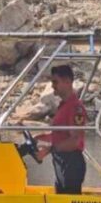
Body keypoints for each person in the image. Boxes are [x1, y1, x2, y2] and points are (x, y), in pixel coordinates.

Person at [36, 65, 88, 195]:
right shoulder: (63, 106)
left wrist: (49, 149)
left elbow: (75, 140)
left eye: (55, 82)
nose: (52, 85)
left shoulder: (76, 108)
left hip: (71, 164)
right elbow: (59, 134)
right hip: (61, 162)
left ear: (67, 81)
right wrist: (37, 138)